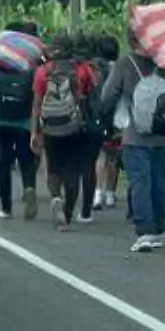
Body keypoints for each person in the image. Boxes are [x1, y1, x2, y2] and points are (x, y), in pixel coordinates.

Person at [101, 33, 165, 253]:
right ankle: (159, 228)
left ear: (131, 41)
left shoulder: (125, 64)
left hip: (135, 134)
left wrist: (107, 119)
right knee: (160, 181)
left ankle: (145, 230)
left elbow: (108, 95)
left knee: (140, 181)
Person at [29, 38, 100, 230]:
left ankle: (55, 197)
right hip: (75, 127)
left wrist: (34, 131)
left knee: (53, 167)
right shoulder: (83, 70)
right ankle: (67, 216)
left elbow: (36, 105)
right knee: (72, 171)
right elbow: (94, 96)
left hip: (50, 127)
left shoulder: (42, 72)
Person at [0, 23, 42, 219]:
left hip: (1, 120)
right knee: (26, 160)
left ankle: (6, 207)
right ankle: (30, 187)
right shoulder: (32, 66)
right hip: (25, 120)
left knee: (3, 162)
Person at [90, 33, 124, 211]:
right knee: (114, 156)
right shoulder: (119, 67)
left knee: (100, 156)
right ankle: (110, 193)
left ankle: (97, 193)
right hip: (117, 117)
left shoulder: (93, 68)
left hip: (99, 116)